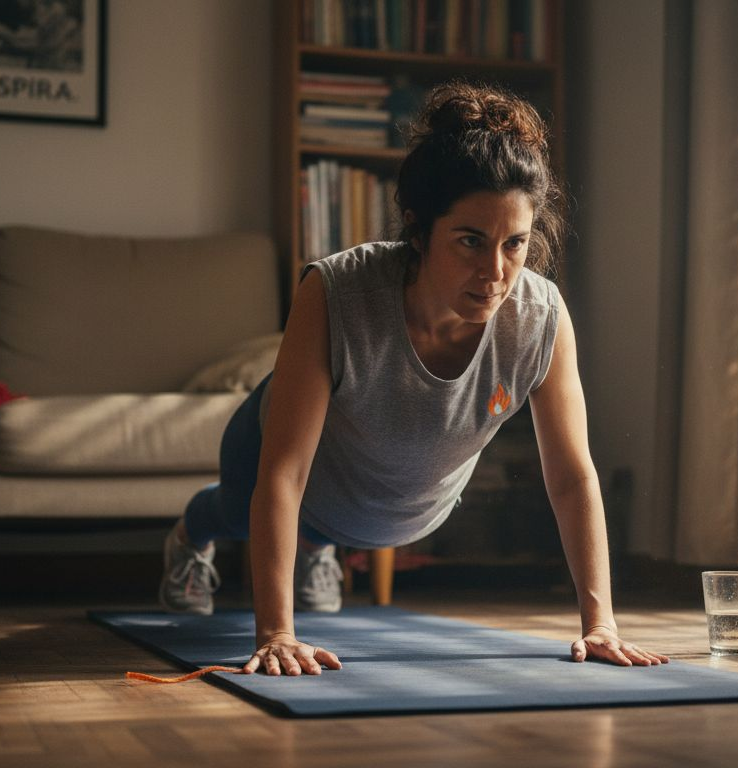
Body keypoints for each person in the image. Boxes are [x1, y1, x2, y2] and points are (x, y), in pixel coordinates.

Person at [159, 81, 670, 676]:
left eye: (516, 244)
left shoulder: (542, 317)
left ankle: (317, 548)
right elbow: (284, 472)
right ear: (418, 227)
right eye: (471, 242)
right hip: (275, 466)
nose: (495, 272)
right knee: (232, 506)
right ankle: (190, 536)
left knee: (342, 518)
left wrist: (601, 624)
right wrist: (276, 631)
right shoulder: (335, 290)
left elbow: (571, 476)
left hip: (403, 505)